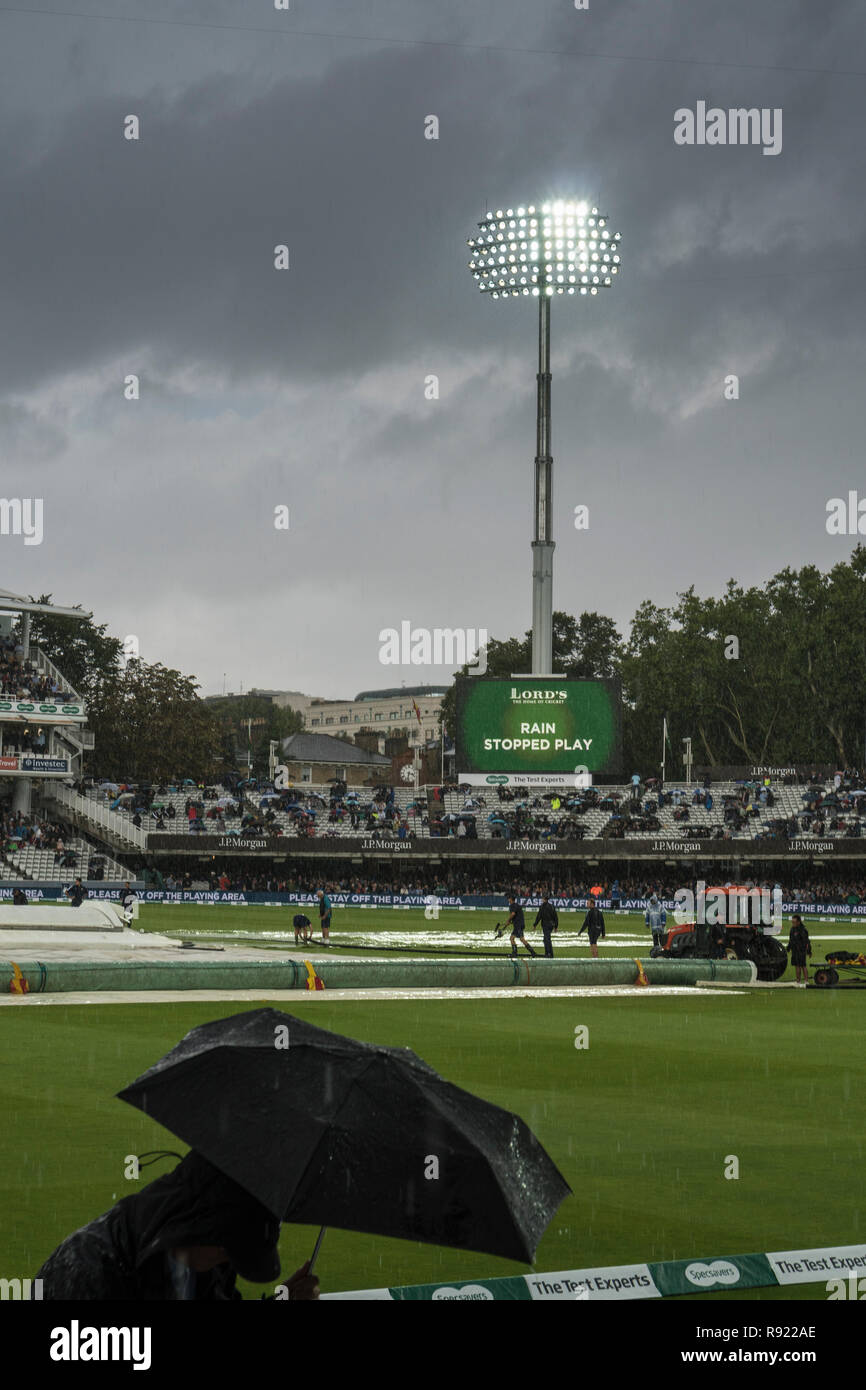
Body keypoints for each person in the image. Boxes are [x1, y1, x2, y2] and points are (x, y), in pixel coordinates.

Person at [32, 1150, 319, 1301]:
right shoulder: (87, 1272)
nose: (226, 1259)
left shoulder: (204, 1260)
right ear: (200, 1224)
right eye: (225, 1248)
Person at [787, 913, 812, 986]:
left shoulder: (803, 930)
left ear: (798, 922)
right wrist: (789, 947)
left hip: (801, 951)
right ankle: (798, 981)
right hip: (794, 950)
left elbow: (807, 941)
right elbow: (791, 940)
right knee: (796, 965)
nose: (793, 923)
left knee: (803, 965)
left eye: (794, 922)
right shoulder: (792, 929)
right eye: (792, 922)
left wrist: (808, 951)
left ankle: (806, 981)